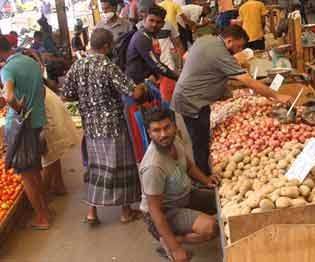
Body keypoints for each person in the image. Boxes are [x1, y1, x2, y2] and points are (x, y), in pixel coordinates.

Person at [171, 25, 292, 175]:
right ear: (229, 41)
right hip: (192, 102)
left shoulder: (207, 40)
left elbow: (188, 58)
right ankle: (203, 178)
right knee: (200, 142)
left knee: (201, 138)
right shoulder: (220, 52)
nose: (238, 51)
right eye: (238, 46)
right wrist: (276, 95)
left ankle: (203, 174)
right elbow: (246, 79)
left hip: (189, 96)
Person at [63, 28, 146, 225]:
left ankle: (92, 213)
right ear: (107, 46)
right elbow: (133, 94)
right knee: (120, 166)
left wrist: (86, 98)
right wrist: (142, 86)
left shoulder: (77, 65)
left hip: (91, 127)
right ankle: (125, 213)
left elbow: (66, 93)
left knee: (96, 167)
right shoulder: (108, 66)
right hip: (113, 126)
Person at [140, 108, 218, 261]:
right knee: (211, 227)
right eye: (156, 130)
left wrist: (206, 180)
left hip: (185, 195)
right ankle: (170, 242)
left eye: (167, 127)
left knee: (222, 199)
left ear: (175, 126)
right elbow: (155, 210)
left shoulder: (175, 140)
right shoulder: (153, 166)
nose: (163, 134)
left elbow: (188, 165)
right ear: (149, 133)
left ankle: (174, 239)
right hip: (166, 210)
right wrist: (175, 248)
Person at [0, 34, 50, 230]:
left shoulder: (7, 69)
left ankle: (42, 218)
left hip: (21, 125)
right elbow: (43, 91)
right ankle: (44, 210)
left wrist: (16, 106)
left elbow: (9, 96)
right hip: (37, 120)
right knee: (35, 169)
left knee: (27, 175)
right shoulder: (30, 61)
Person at [41, 86, 79, 197]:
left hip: (46, 113)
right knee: (53, 153)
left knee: (47, 158)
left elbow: (9, 98)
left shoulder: (8, 72)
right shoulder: (27, 72)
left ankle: (41, 201)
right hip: (49, 108)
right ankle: (59, 185)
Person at [126, 5, 179, 85]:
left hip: (143, 80)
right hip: (136, 84)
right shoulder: (142, 37)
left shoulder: (149, 36)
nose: (154, 24)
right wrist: (177, 76)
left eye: (158, 22)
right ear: (145, 20)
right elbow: (156, 65)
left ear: (163, 24)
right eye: (151, 20)